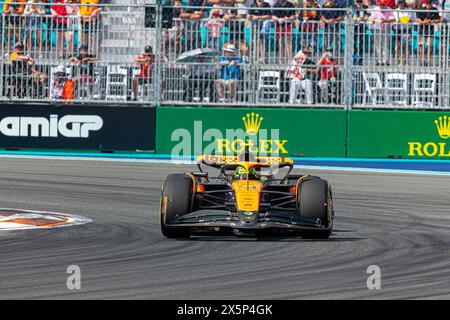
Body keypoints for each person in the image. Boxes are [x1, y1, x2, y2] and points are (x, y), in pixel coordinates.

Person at [368, 0, 395, 65]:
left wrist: (385, 20)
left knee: (385, 45)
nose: (382, 6)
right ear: (379, 4)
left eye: (383, 4)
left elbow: (393, 19)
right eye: (381, 4)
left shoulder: (389, 9)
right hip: (377, 29)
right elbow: (370, 18)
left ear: (386, 4)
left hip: (386, 30)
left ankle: (385, 61)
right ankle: (379, 61)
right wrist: (375, 20)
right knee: (378, 46)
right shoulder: (375, 9)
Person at [417, 0, 442, 66]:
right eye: (427, 3)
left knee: (429, 46)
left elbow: (438, 20)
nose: (428, 5)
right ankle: (422, 61)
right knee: (421, 45)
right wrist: (423, 22)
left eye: (429, 3)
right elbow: (417, 19)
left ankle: (427, 61)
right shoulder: (421, 9)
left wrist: (431, 21)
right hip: (421, 30)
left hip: (430, 31)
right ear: (425, 4)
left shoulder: (435, 9)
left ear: (431, 4)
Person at [394, 0, 415, 65]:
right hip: (398, 29)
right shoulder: (395, 11)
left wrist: (408, 20)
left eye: (401, 2)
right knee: (399, 46)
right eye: (399, 2)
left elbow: (413, 19)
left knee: (407, 46)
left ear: (404, 3)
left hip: (407, 29)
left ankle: (407, 62)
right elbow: (396, 20)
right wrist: (402, 20)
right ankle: (400, 62)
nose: (400, 4)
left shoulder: (409, 10)